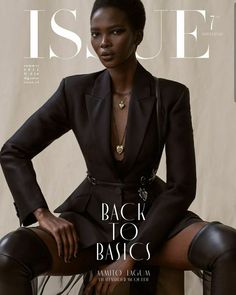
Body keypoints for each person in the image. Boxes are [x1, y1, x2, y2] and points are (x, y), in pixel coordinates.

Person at [0, 0, 236, 294]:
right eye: (95, 34)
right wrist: (42, 215)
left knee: (226, 246)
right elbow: (13, 151)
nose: (103, 44)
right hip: (90, 222)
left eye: (115, 32)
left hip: (153, 220)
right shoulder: (73, 92)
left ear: (137, 35)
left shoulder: (171, 95)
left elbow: (182, 187)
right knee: (9, 253)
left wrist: (130, 256)